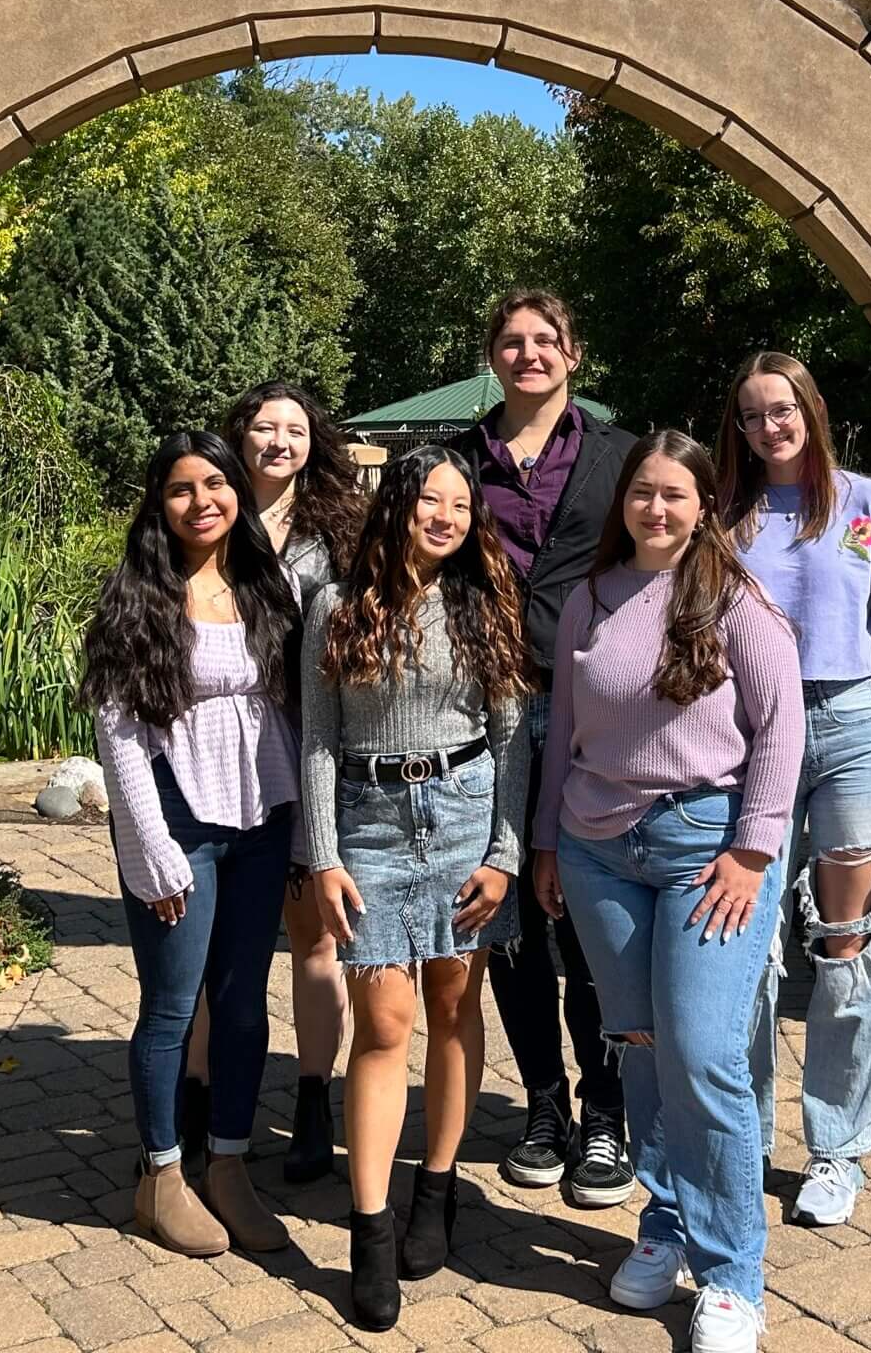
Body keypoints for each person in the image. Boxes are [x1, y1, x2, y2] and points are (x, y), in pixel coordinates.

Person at [530, 430, 804, 1353]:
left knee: (701, 1054)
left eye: (675, 495)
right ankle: (666, 1226)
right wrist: (544, 847)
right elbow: (564, 727)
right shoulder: (590, 602)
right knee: (640, 1047)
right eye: (643, 492)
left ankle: (732, 1277)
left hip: (706, 852)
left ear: (702, 508)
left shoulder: (734, 601)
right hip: (597, 850)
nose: (656, 508)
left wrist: (755, 851)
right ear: (625, 504)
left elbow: (782, 730)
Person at [301, 447, 533, 1330]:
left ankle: (436, 1190)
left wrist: (506, 851)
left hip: (467, 815)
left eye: (461, 504)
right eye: (430, 499)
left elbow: (514, 737)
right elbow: (318, 739)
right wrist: (323, 856)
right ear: (396, 504)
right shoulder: (336, 603)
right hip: (368, 821)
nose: (446, 515)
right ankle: (370, 1228)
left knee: (454, 1007)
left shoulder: (483, 602)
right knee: (383, 1025)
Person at [718, 353, 871, 1227]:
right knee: (746, 947)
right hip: (749, 738)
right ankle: (748, 1136)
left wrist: (832, 687)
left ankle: (837, 1150)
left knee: (848, 942)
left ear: (811, 408)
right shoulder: (726, 519)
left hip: (848, 730)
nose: (773, 425)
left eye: (784, 408)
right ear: (739, 429)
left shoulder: (866, 504)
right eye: (755, 415)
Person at [84, 432, 301, 1259]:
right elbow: (119, 733)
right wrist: (150, 849)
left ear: (236, 491)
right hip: (178, 820)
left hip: (261, 820)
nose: (202, 500)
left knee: (244, 1004)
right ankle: (161, 1176)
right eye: (181, 489)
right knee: (173, 1008)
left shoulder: (263, 584)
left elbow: (287, 710)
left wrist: (306, 834)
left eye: (215, 482)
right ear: (159, 504)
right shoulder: (138, 596)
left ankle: (231, 1165)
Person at [453, 287, 638, 1207]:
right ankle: (542, 1105)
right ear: (493, 356)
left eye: (544, 341)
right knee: (513, 920)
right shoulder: (457, 460)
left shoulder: (620, 456)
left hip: (590, 717)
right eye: (511, 342)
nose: (528, 355)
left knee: (591, 918)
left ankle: (607, 1116)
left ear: (573, 353)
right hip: (487, 713)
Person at [165, 383, 368, 1183]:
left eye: (294, 429)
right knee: (223, 946)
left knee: (315, 937)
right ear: (239, 437)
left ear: (314, 441)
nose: (279, 441)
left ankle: (315, 1097)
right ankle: (200, 1094)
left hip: (310, 749)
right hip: (221, 753)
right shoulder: (210, 512)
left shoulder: (338, 533)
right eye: (263, 428)